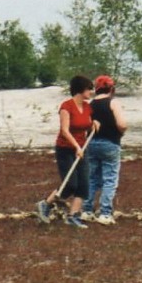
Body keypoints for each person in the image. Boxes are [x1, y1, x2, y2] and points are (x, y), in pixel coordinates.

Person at [36, 75, 95, 229]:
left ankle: (73, 216)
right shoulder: (66, 106)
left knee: (84, 185)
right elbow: (65, 130)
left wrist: (94, 124)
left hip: (82, 148)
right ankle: (46, 204)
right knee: (70, 184)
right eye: (89, 88)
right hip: (66, 149)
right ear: (80, 89)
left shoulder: (88, 107)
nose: (91, 91)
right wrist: (76, 147)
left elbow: (87, 125)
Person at [85, 74, 128, 225]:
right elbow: (122, 124)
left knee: (92, 178)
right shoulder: (113, 102)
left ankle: (86, 210)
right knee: (109, 179)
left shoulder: (90, 104)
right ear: (111, 88)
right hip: (110, 143)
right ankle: (105, 213)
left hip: (91, 143)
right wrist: (121, 133)